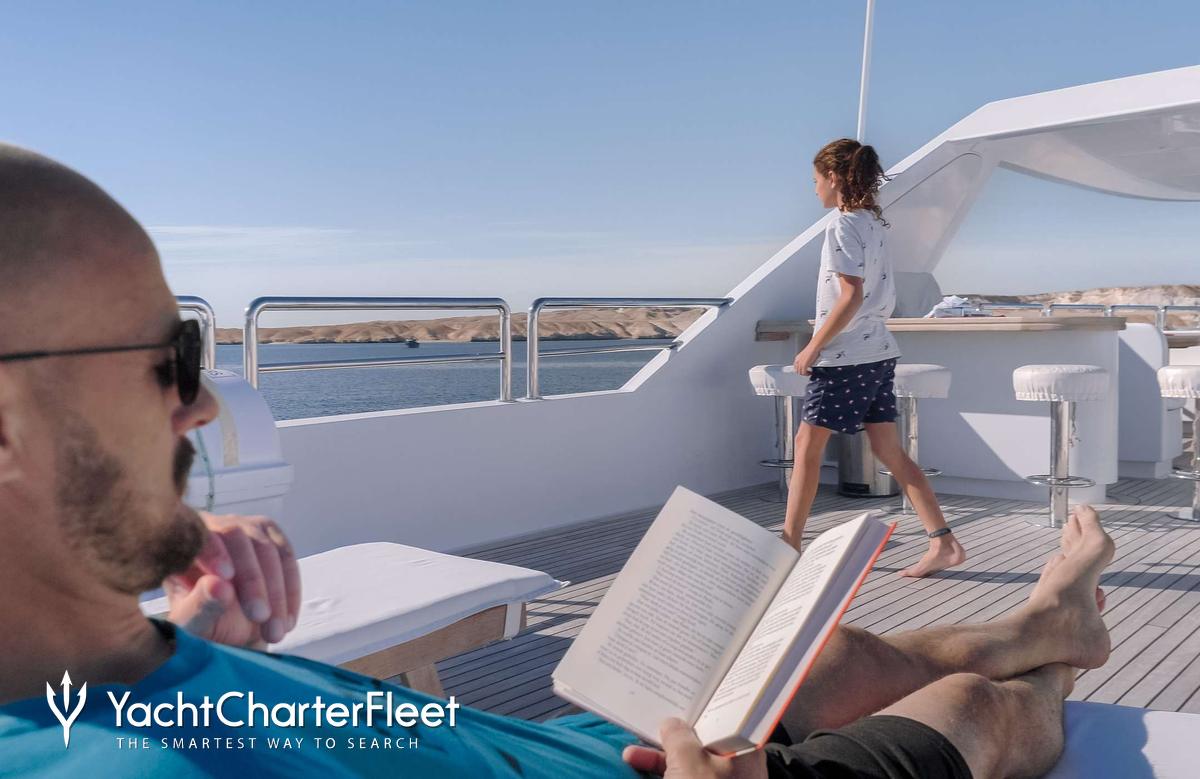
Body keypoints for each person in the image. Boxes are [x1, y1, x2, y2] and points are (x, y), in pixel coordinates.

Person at [0, 143, 1114, 778]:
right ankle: (1053, 664)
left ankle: (1042, 622)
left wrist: (195, 642)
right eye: (169, 357)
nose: (202, 401)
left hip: (566, 741)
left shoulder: (91, 682)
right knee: (975, 710)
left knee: (820, 660)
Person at [784, 138, 967, 578]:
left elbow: (850, 296)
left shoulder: (842, 225)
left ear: (834, 178)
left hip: (847, 356)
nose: (813, 188)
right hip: (878, 352)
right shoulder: (872, 223)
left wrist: (813, 346)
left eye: (815, 180)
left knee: (806, 446)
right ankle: (944, 542)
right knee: (889, 451)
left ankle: (788, 546)